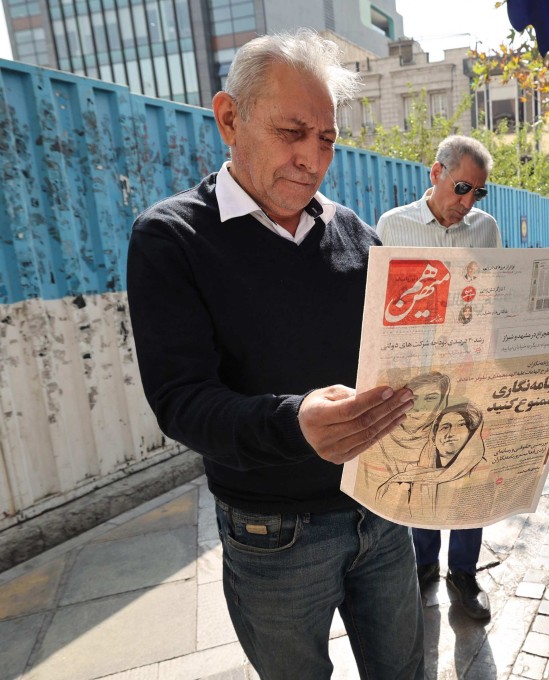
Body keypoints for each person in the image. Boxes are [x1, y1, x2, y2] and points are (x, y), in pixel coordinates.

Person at [125, 31, 425, 680]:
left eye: (326, 139)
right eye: (293, 131)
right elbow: (181, 402)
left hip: (381, 510)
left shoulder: (357, 233)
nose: (310, 158)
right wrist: (295, 423)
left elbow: (397, 359)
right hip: (272, 533)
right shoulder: (172, 238)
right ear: (230, 118)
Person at [374, 134, 500, 620]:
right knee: (425, 460)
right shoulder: (393, 226)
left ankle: (463, 576)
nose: (466, 204)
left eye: (477, 193)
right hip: (416, 374)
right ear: (436, 174)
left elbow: (491, 299)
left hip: (469, 368)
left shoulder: (485, 231)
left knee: (469, 467)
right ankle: (423, 565)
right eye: (461, 188)